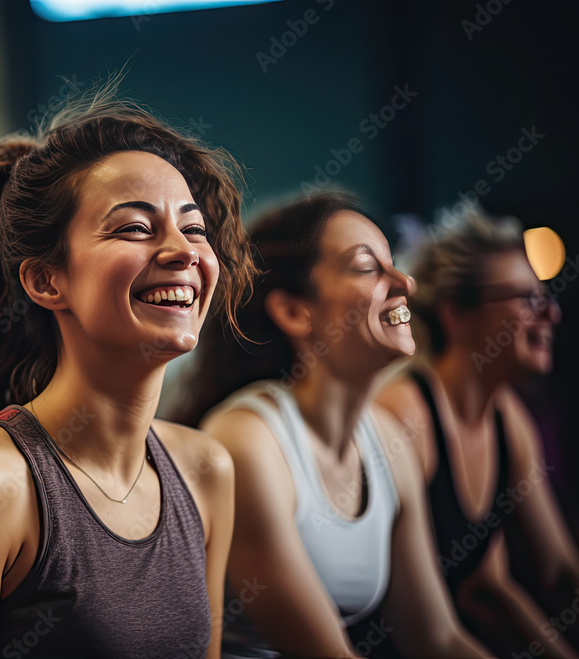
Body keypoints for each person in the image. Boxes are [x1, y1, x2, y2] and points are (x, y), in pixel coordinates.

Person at [0, 90, 257, 658]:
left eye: (193, 229)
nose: (182, 251)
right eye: (133, 228)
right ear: (48, 281)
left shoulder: (206, 469)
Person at [177, 191, 488, 657]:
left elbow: (437, 638)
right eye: (367, 267)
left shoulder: (387, 440)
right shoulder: (249, 442)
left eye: (394, 263)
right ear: (295, 312)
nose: (404, 281)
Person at [376, 206, 579, 657]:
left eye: (546, 297)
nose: (552, 314)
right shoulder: (406, 417)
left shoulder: (507, 417)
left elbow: (511, 581)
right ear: (457, 314)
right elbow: (421, 633)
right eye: (527, 299)